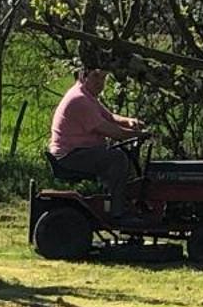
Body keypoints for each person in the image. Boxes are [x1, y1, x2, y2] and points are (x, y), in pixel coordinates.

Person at [47, 67, 148, 222]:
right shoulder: (79, 99)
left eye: (103, 78)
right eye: (96, 77)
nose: (100, 83)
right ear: (83, 76)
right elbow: (112, 131)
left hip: (79, 151)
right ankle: (118, 212)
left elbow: (110, 117)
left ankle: (117, 201)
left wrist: (129, 122)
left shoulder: (88, 96)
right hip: (69, 155)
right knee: (117, 158)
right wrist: (138, 134)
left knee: (119, 155)